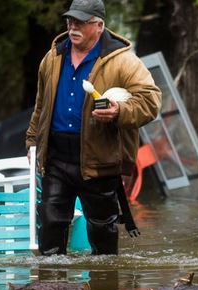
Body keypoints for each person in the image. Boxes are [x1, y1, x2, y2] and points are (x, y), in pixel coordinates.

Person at [26, 0, 161, 255]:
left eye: (80, 22)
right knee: (51, 225)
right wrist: (32, 141)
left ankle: (104, 289)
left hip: (100, 158)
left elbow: (151, 102)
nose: (72, 27)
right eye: (70, 20)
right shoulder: (52, 58)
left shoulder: (123, 62)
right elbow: (40, 105)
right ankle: (50, 289)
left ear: (98, 25)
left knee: (102, 232)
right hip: (56, 156)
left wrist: (119, 111)